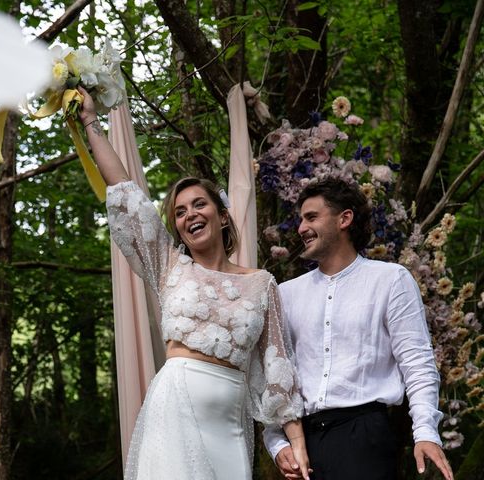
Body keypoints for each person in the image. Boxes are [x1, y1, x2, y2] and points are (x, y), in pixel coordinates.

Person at [76, 88, 311, 480]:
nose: (189, 215)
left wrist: (295, 442)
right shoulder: (169, 266)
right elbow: (125, 192)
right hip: (173, 411)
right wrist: (89, 122)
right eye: (180, 212)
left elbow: (277, 367)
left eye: (199, 205)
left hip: (231, 426)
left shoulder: (262, 284)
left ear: (221, 216)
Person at [263, 177, 454, 480]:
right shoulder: (285, 294)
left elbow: (417, 362)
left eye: (311, 217)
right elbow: (276, 376)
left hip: (364, 437)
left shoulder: (391, 280)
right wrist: (276, 444)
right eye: (300, 219)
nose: (301, 228)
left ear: (345, 219)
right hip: (302, 444)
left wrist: (426, 432)